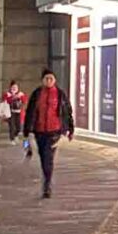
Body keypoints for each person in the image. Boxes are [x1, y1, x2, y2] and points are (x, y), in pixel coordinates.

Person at [21, 67, 73, 199]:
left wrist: (70, 129)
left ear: (54, 80)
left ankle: (47, 184)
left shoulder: (60, 94)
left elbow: (67, 112)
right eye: (46, 78)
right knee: (43, 156)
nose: (49, 81)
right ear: (42, 80)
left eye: (51, 79)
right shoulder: (37, 94)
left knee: (48, 157)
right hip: (40, 131)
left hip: (54, 131)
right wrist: (27, 131)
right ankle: (47, 178)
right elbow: (30, 112)